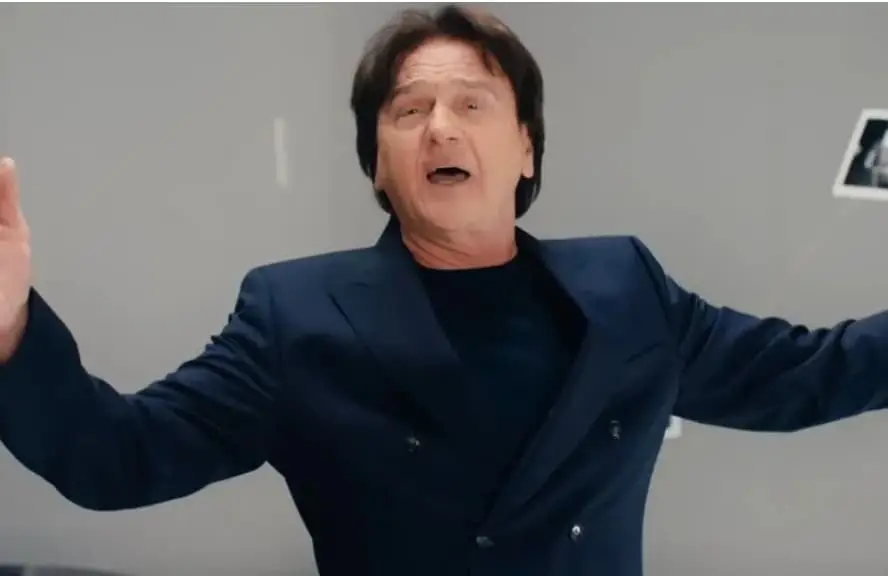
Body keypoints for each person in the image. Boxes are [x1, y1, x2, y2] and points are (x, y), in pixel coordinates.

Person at [1, 5, 888, 576]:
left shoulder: (626, 288)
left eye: (472, 103)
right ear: (377, 167)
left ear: (526, 148)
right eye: (407, 111)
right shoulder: (294, 318)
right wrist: (8, 324)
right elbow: (115, 458)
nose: (439, 128)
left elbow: (809, 373)